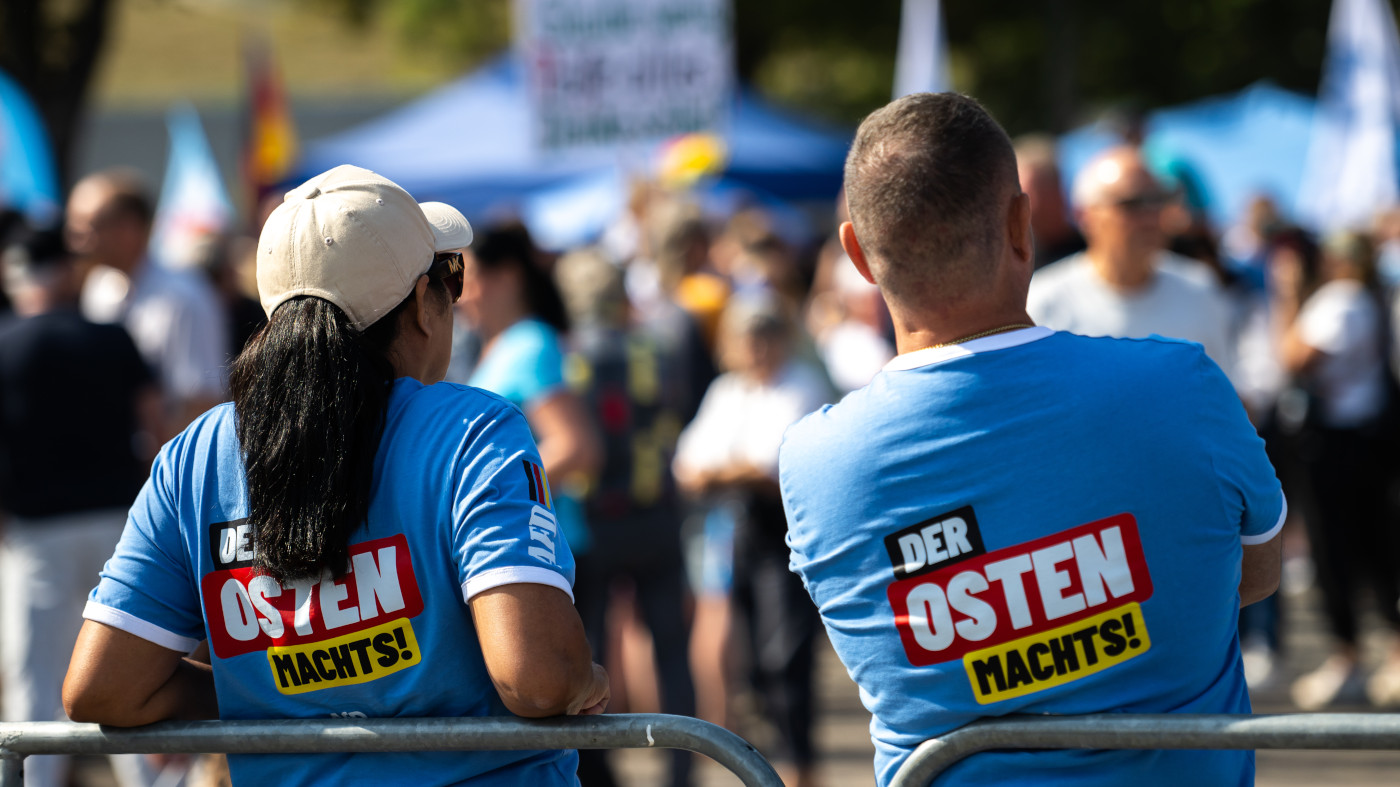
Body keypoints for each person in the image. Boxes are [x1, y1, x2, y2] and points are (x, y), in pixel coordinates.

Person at [780, 93, 1283, 786]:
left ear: (858, 256)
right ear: (1023, 224)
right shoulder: (1182, 384)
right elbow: (1253, 570)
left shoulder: (814, 464)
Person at [63, 165, 609, 786]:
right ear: (420, 308)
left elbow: (104, 689)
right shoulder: (471, 431)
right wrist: (587, 676)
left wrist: (277, 700)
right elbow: (538, 680)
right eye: (449, 278)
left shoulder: (194, 456)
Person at [1, 226, 160, 787]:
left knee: (37, 680)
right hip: (120, 525)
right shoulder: (111, 337)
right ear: (65, 273)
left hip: (37, 531)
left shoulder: (7, 342)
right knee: (132, 675)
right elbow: (154, 422)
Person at [556, 248, 698, 787]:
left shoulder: (569, 357)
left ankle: (600, 770)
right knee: (670, 649)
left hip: (595, 525)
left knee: (585, 651)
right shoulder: (657, 348)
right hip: (657, 514)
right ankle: (680, 771)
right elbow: (674, 416)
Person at [674, 296, 830, 787]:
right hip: (736, 529)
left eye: (765, 335)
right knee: (744, 656)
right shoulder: (728, 391)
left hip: (784, 534)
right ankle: (767, 764)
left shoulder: (801, 385)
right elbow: (689, 463)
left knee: (784, 656)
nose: (757, 347)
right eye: (748, 337)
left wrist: (722, 471)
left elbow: (769, 465)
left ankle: (800, 769)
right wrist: (728, 471)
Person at [1272, 230, 1400, 709]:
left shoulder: (1341, 300)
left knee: (1339, 553)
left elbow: (1293, 358)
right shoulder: (1366, 298)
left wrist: (1285, 296)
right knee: (1373, 548)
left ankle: (1351, 655)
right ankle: (1380, 651)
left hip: (1336, 444)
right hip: (1363, 440)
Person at [1027, 146, 1235, 379]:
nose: (1150, 218)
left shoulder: (1198, 288)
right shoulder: (1045, 302)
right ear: (1085, 215)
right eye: (1133, 204)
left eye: (1157, 200)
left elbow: (1220, 391)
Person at [66, 169, 229, 438]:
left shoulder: (183, 297)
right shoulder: (99, 287)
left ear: (130, 227)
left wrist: (159, 472)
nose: (76, 241)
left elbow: (201, 403)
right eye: (73, 228)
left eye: (89, 226)